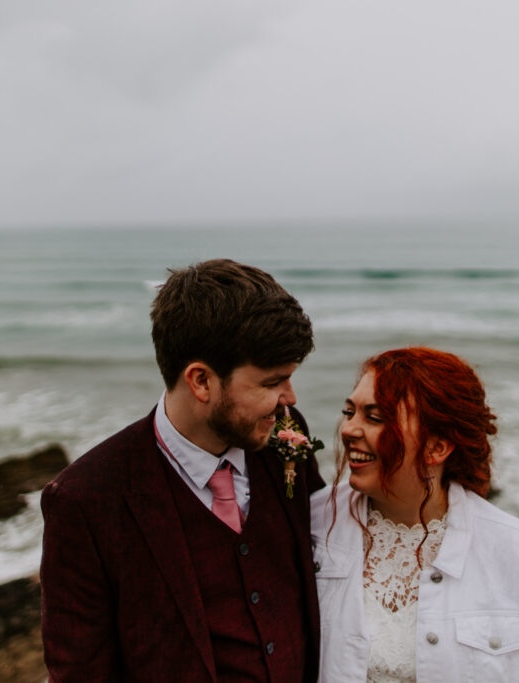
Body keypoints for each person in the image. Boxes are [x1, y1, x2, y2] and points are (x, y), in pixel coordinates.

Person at [41, 259, 325, 682]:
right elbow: (81, 672)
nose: (290, 397)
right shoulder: (84, 500)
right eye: (271, 383)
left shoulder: (286, 433)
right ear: (201, 381)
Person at [311, 347, 519, 682]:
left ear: (437, 447)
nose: (349, 429)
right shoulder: (313, 526)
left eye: (375, 418)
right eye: (349, 412)